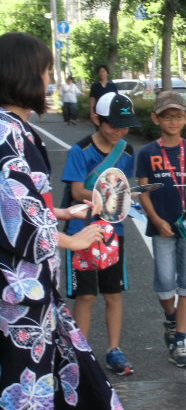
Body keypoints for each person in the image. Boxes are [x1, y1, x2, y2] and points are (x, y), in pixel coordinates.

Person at [0, 32, 123, 409]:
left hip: (32, 292)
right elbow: (18, 215)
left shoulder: (13, 129)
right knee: (31, 391)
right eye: (46, 72)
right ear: (26, 74)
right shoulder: (8, 133)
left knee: (71, 381)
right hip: (22, 297)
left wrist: (61, 212)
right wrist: (72, 240)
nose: (50, 81)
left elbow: (16, 203)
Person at [61, 91, 140, 376]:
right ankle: (81, 353)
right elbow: (77, 190)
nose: (118, 131)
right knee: (85, 296)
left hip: (113, 233)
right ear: (97, 119)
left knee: (113, 293)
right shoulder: (80, 151)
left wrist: (125, 195)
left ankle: (114, 351)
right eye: (112, 125)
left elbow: (124, 184)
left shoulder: (127, 152)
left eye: (124, 125)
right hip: (81, 232)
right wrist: (111, 193)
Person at [135, 91, 186, 368]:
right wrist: (155, 219)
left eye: (178, 116)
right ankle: (171, 317)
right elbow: (142, 191)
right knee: (164, 281)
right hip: (161, 227)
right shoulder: (148, 152)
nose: (173, 121)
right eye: (167, 116)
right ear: (156, 118)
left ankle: (179, 341)